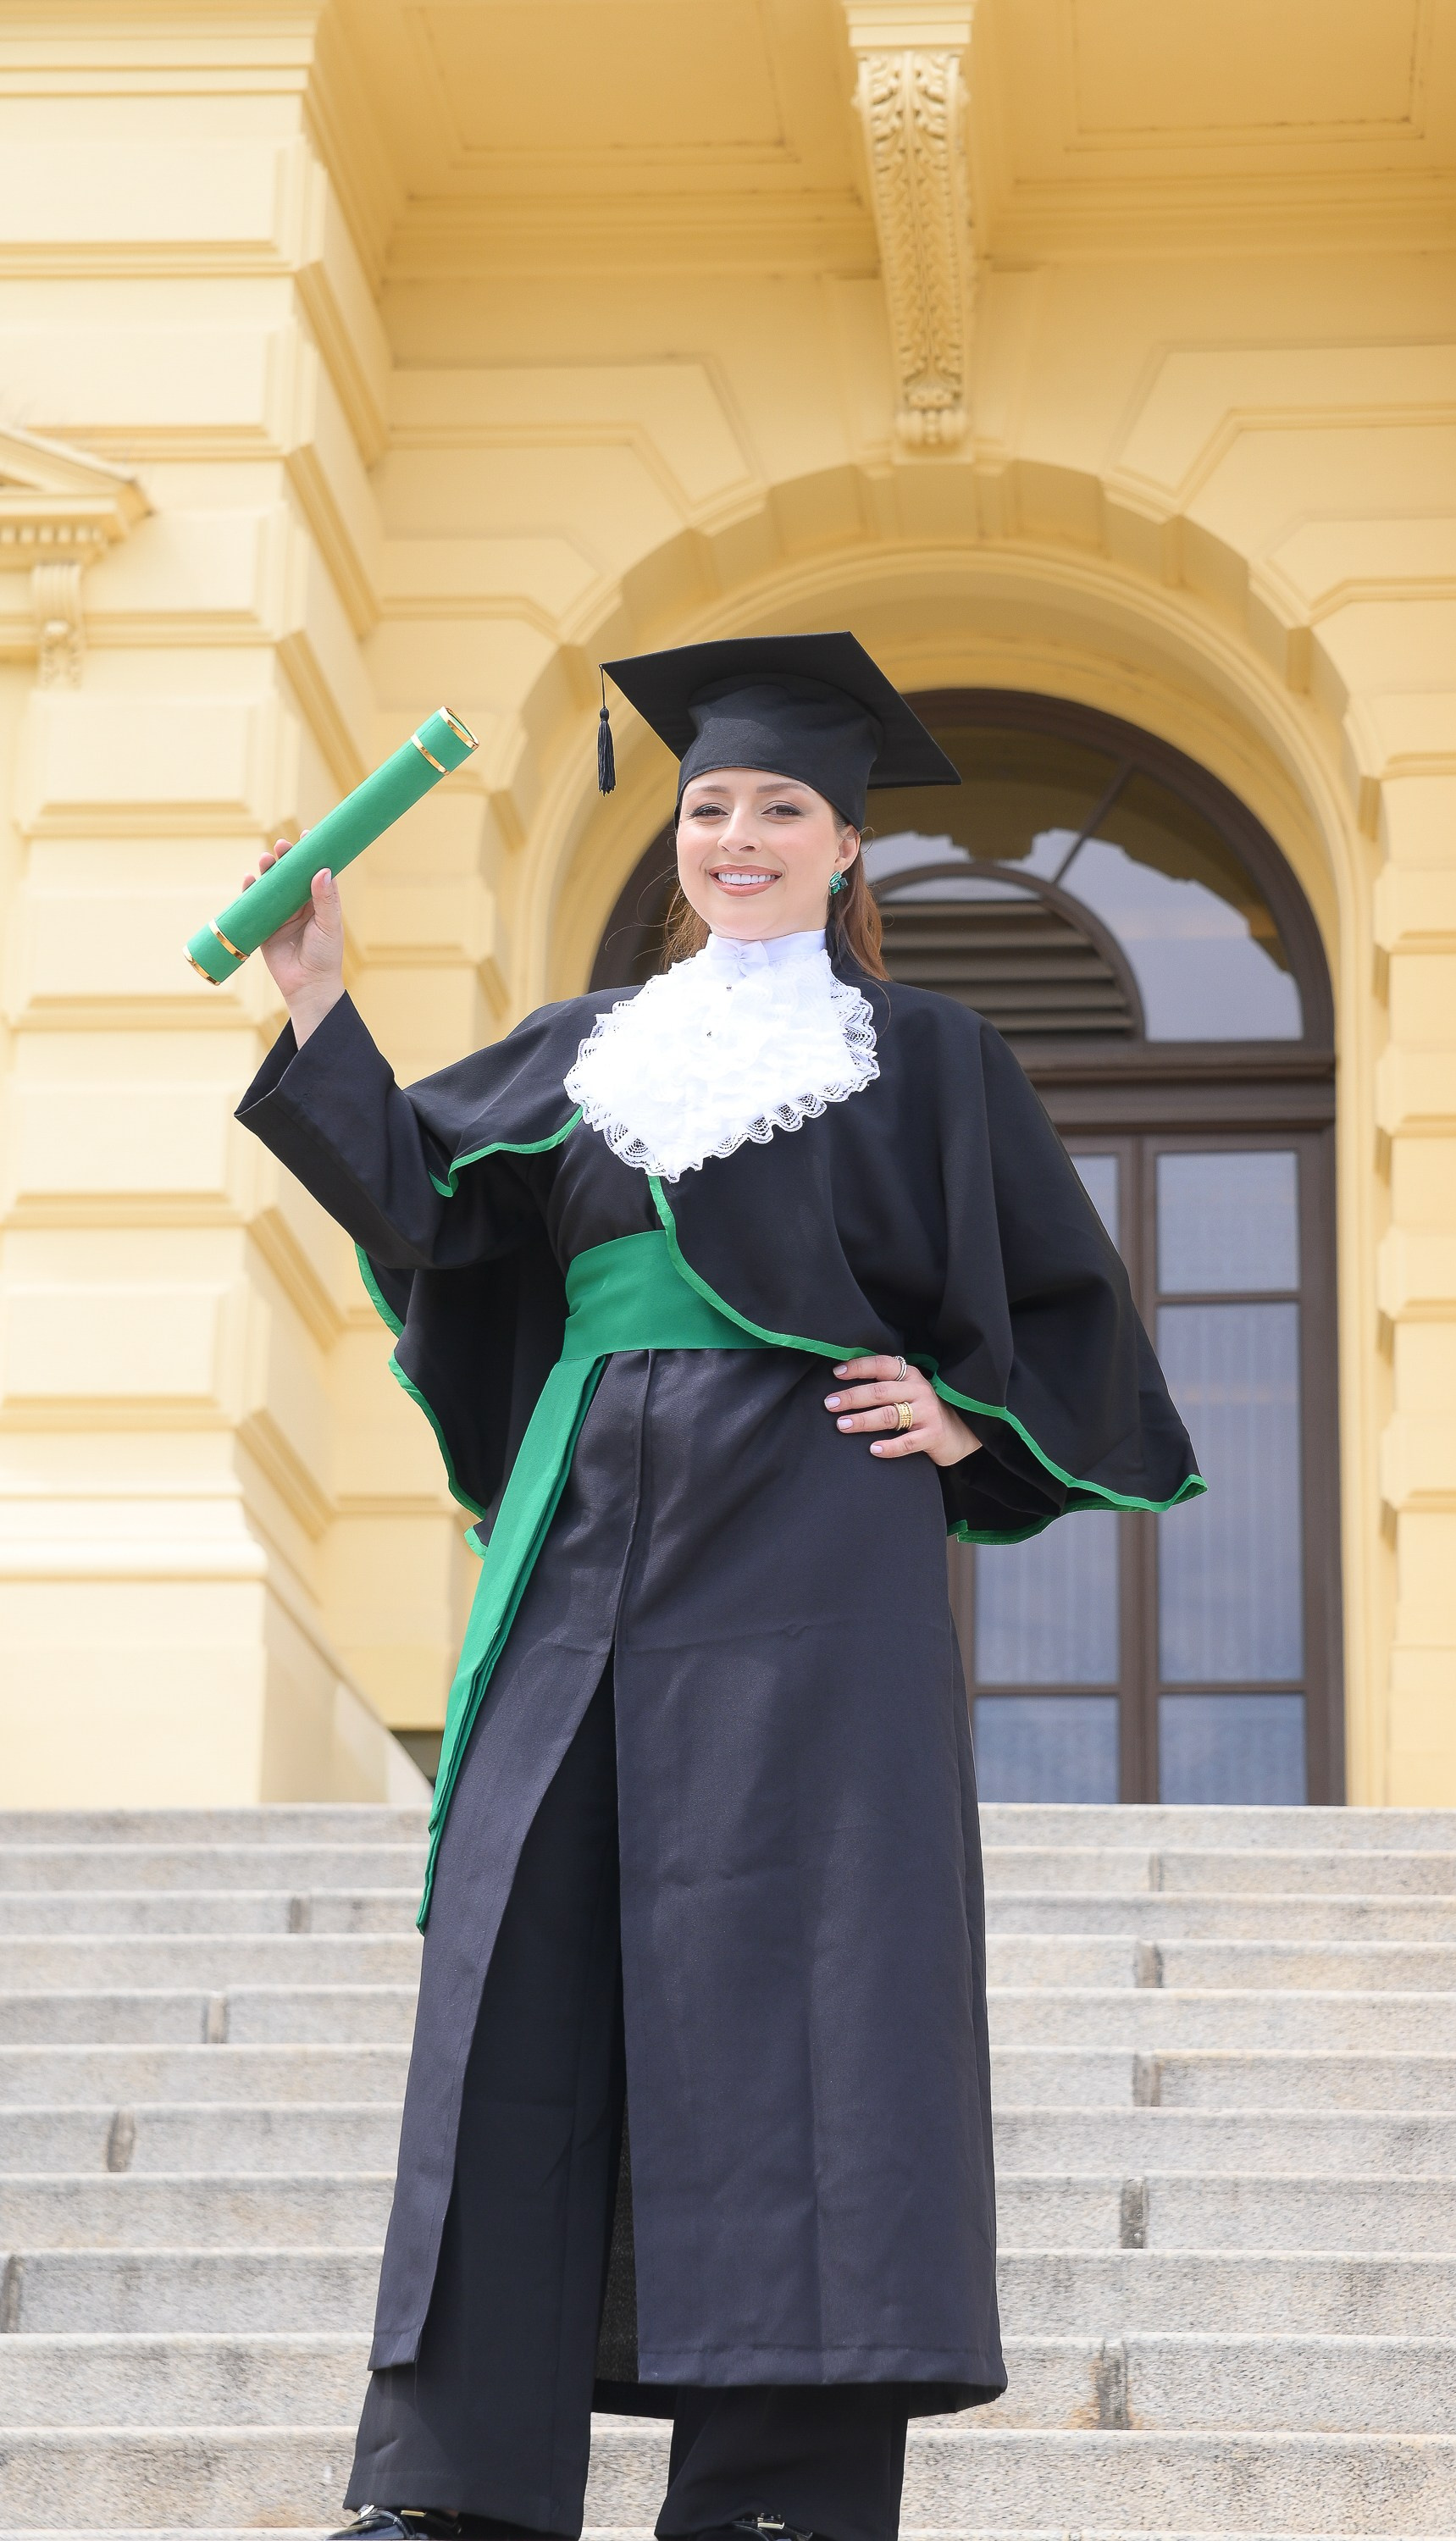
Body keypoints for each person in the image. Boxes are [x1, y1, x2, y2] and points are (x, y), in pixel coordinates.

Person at [234, 633, 1202, 2541]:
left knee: (811, 1991)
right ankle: (454, 2493)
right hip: (585, 1534)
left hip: (814, 1543)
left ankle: (773, 2494)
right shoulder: (590, 1045)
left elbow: (1076, 1318)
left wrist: (965, 1411)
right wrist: (321, 1006)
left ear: (849, 851)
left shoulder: (925, 1056)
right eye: (709, 809)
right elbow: (429, 1217)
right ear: (676, 840)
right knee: (518, 1973)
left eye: (780, 809)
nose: (738, 835)